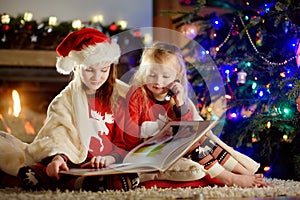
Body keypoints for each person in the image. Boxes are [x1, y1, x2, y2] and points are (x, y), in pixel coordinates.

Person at [0, 28, 139, 191]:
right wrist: (59, 158)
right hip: (74, 159)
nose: (97, 77)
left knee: (129, 179)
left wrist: (109, 158)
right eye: (89, 70)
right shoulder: (64, 100)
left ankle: (67, 181)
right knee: (47, 166)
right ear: (76, 68)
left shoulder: (119, 99)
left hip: (106, 163)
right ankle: (56, 174)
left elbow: (123, 141)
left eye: (104, 70)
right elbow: (58, 134)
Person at [123, 41, 271, 188]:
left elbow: (188, 127)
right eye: (152, 75)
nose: (158, 81)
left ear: (176, 76)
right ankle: (229, 178)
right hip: (147, 152)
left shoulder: (175, 98)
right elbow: (130, 136)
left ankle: (246, 174)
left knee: (202, 139)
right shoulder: (137, 95)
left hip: (172, 148)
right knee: (191, 142)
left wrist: (180, 103)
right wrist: (159, 133)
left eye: (165, 76)